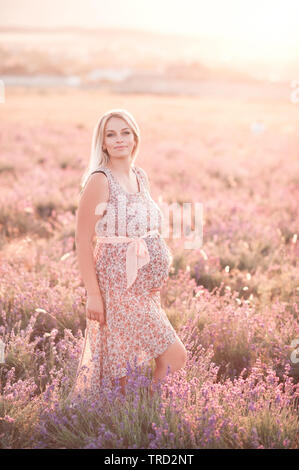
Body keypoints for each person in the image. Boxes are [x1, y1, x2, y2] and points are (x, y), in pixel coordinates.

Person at [68, 108, 187, 403]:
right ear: (103, 142)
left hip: (142, 290)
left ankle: (139, 417)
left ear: (135, 138)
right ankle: (136, 419)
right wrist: (94, 295)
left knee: (124, 367)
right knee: (170, 356)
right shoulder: (100, 180)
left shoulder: (139, 176)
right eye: (111, 134)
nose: (119, 139)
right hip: (116, 289)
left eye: (125, 132)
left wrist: (153, 274)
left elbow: (146, 230)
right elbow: (83, 240)